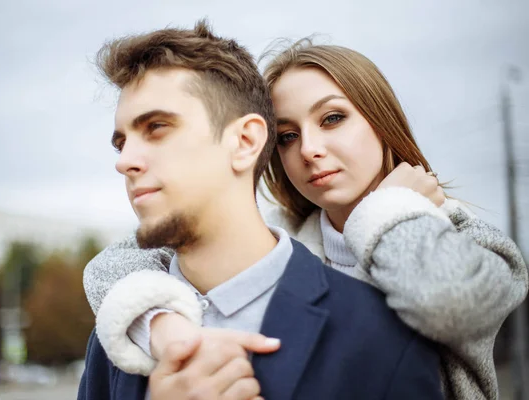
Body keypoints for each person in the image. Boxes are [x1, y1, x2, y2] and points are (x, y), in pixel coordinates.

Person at [83, 29, 529, 400]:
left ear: (381, 119)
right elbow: (114, 264)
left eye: (332, 118)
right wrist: (161, 325)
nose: (310, 150)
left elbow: (448, 304)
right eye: (287, 137)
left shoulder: (463, 235)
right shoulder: (278, 236)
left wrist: (389, 211)